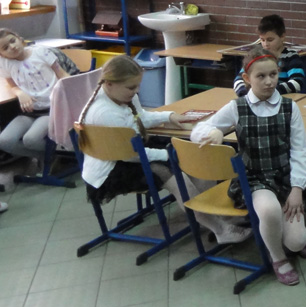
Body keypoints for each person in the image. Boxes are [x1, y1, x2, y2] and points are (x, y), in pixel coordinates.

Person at [78, 55, 251, 244]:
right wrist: (168, 155)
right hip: (112, 168)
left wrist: (169, 116)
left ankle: (215, 214)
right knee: (173, 173)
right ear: (109, 84)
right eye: (131, 87)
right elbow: (130, 155)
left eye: (138, 86)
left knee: (193, 157)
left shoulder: (121, 96)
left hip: (132, 151)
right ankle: (219, 228)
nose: (136, 91)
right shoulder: (105, 113)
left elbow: (140, 118)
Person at [193, 44, 306, 286]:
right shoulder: (237, 107)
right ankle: (277, 258)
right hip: (254, 178)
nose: (269, 81)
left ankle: (294, 237)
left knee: (296, 242)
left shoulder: (290, 107)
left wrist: (297, 189)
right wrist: (214, 132)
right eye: (261, 76)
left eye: (273, 74)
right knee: (269, 211)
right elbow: (200, 129)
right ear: (247, 79)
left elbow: (301, 150)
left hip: (285, 176)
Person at [0, 29, 69, 169]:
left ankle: (59, 156)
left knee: (30, 139)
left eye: (12, 41)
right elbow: (12, 85)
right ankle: (48, 157)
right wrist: (20, 93)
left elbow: (63, 75)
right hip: (30, 110)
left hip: (52, 108)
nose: (12, 47)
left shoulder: (40, 52)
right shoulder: (5, 64)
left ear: (19, 38)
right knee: (4, 141)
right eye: (5, 48)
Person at [233, 14, 306, 97]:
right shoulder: (255, 56)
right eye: (262, 40)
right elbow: (239, 80)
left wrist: (270, 91)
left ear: (282, 36)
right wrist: (244, 93)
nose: (266, 44)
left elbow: (297, 83)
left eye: (270, 40)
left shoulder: (291, 56)